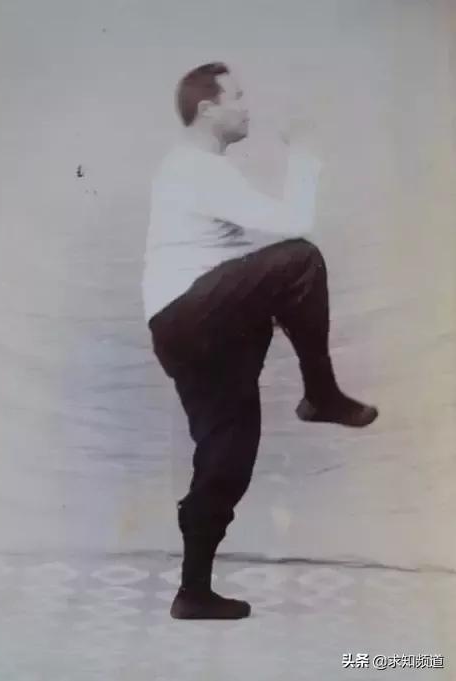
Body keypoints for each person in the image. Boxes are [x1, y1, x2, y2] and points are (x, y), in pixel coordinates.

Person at [142, 62, 379, 620]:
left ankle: (193, 592)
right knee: (301, 259)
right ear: (207, 109)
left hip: (187, 330)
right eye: (238, 96)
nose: (248, 107)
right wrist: (305, 154)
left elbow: (238, 259)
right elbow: (293, 227)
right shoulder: (198, 168)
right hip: (191, 315)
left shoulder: (194, 170)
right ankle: (320, 392)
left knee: (229, 455)